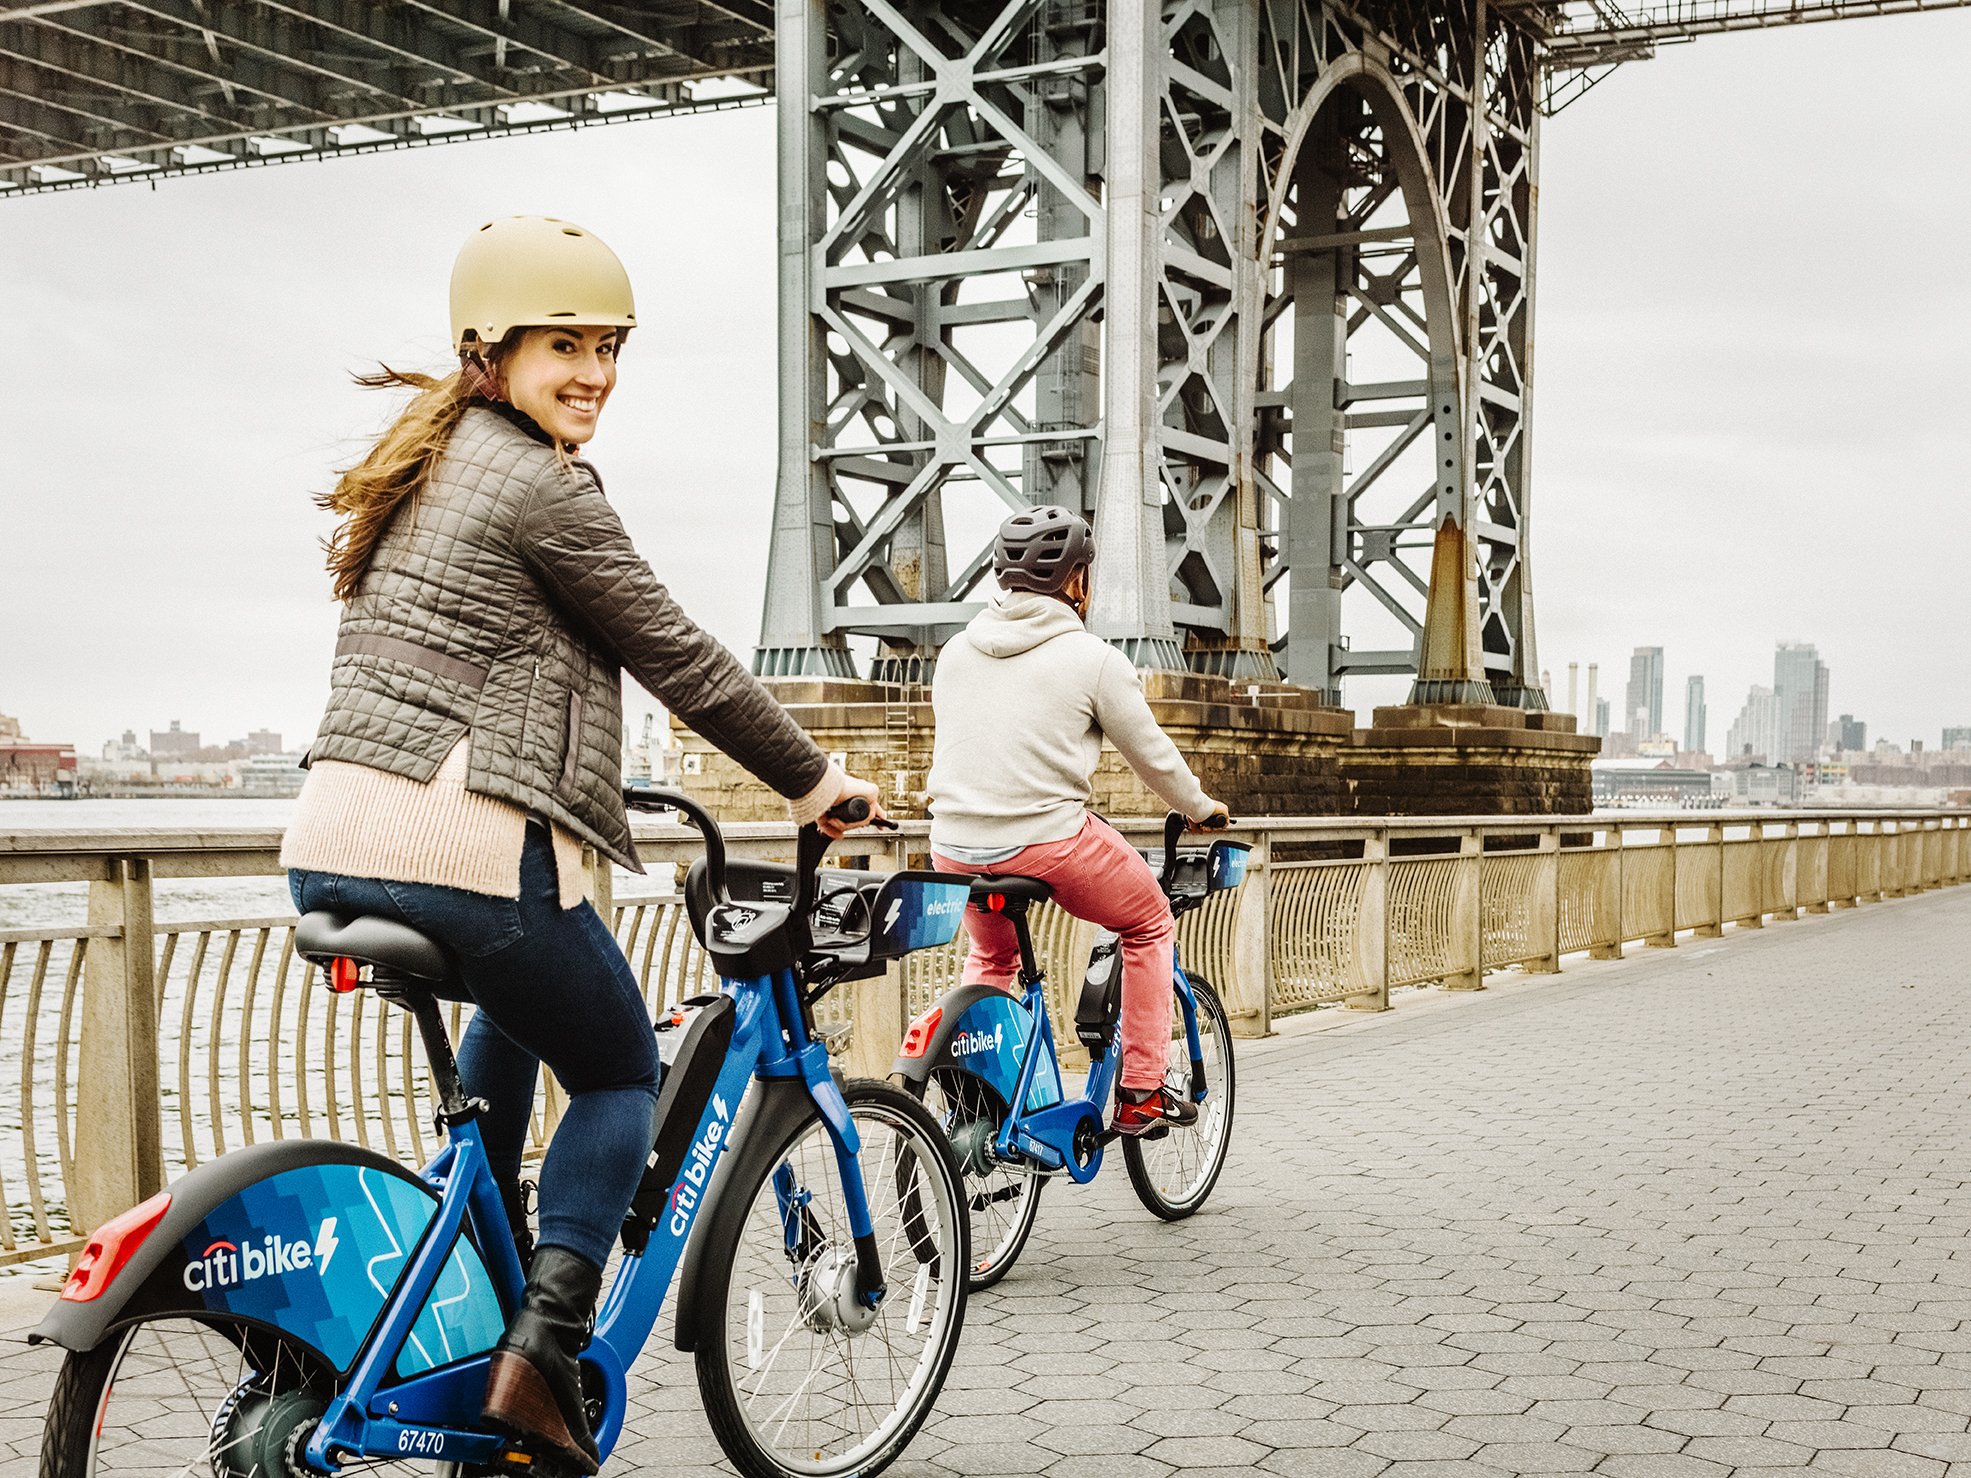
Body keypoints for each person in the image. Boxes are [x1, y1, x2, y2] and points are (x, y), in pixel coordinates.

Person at [281, 215, 880, 1473]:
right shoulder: (540, 486)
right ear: (488, 349)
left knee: (517, 1022)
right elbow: (684, 659)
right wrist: (819, 781)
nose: (595, 373)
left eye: (609, 347)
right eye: (565, 345)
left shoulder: (434, 463)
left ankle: (476, 1318)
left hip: (333, 837)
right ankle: (543, 1358)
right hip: (457, 845)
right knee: (614, 1071)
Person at [924, 505, 1228, 1136]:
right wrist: (1201, 807)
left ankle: (985, 1093)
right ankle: (1142, 1091)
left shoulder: (954, 652)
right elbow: (1154, 757)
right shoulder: (1092, 658)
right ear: (1078, 582)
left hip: (953, 851)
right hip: (1047, 845)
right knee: (1148, 921)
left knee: (992, 959)